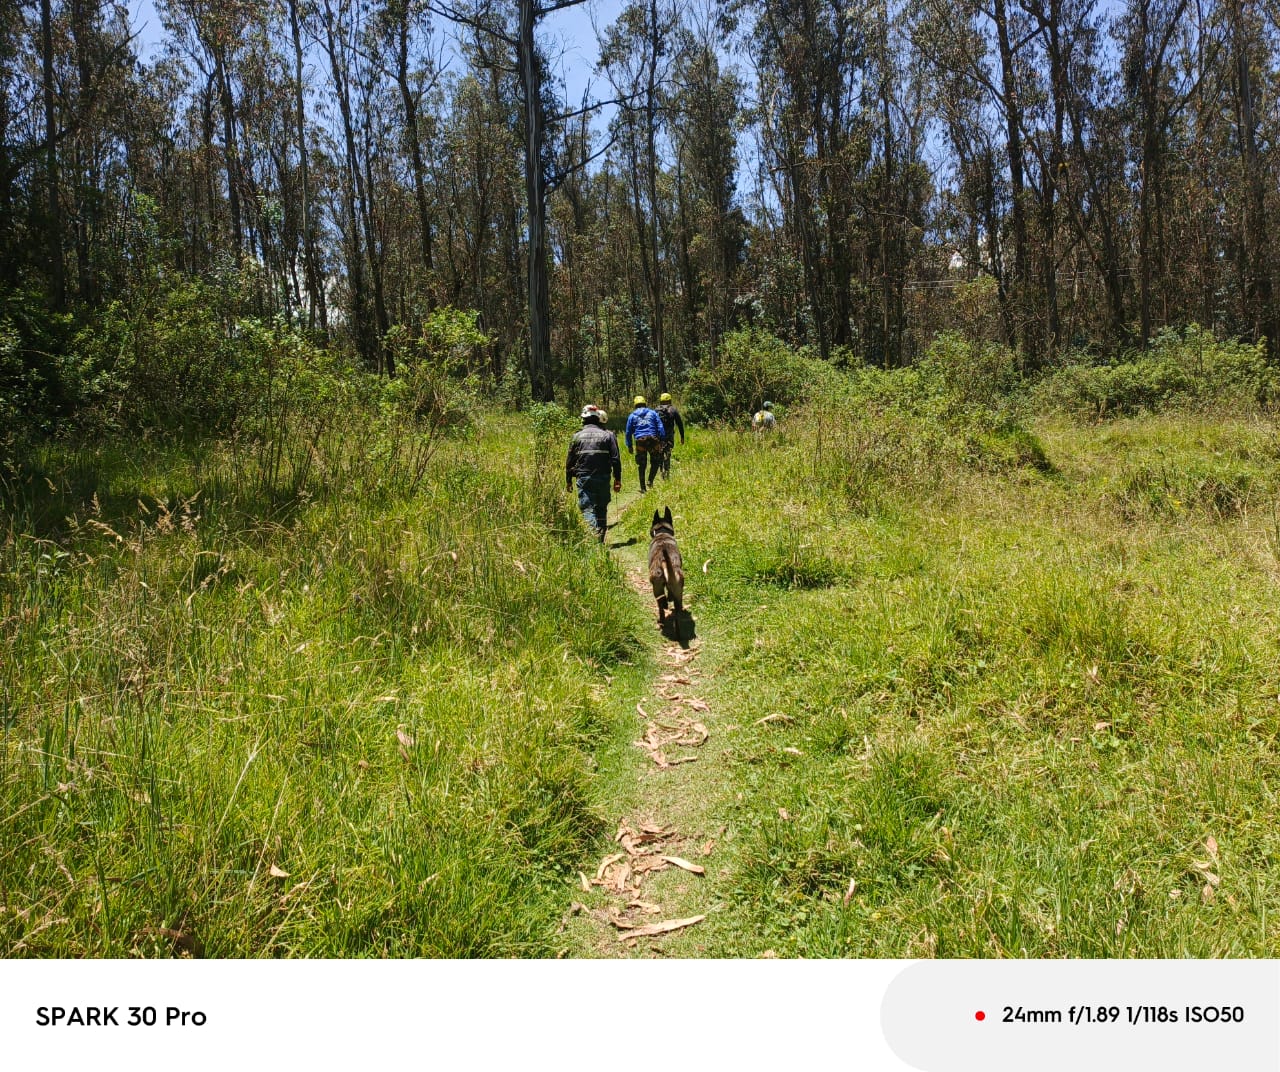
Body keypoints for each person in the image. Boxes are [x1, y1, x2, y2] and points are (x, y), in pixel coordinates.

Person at [566, 405, 622, 542]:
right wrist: (617, 479)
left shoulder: (576, 436)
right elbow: (615, 459)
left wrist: (568, 480)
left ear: (583, 419)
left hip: (584, 477)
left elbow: (569, 461)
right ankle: (600, 539)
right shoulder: (609, 435)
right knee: (601, 507)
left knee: (587, 507)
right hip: (603, 476)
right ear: (598, 419)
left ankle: (593, 540)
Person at [624, 395, 666, 493]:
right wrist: (662, 439)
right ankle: (650, 481)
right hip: (653, 440)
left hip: (640, 441)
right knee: (656, 462)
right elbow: (660, 426)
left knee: (642, 465)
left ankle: (643, 488)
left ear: (635, 405)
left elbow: (628, 432)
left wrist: (629, 445)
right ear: (645, 403)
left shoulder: (632, 416)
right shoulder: (653, 413)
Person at [654, 392, 685, 480]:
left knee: (659, 454)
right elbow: (680, 424)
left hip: (658, 437)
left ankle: (661, 471)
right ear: (670, 400)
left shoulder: (656, 410)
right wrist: (682, 437)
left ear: (661, 400)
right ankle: (666, 473)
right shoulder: (673, 410)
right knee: (667, 454)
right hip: (669, 437)